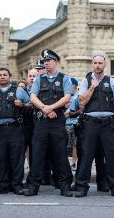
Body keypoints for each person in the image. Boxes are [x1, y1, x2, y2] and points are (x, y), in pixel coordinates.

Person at [24, 49, 73, 197]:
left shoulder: (64, 78)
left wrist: (51, 108)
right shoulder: (39, 78)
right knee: (37, 154)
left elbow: (67, 98)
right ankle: (33, 186)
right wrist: (45, 109)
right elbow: (32, 97)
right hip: (42, 121)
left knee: (61, 154)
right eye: (44, 61)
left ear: (55, 62)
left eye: (48, 61)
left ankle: (64, 186)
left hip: (57, 120)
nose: (46, 63)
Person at [74, 55, 114, 198]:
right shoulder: (86, 80)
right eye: (95, 63)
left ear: (104, 65)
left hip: (108, 123)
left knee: (111, 156)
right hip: (90, 123)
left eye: (100, 63)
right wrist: (92, 87)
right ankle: (82, 186)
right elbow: (82, 101)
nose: (97, 65)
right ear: (92, 64)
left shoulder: (111, 81)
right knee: (86, 156)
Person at [0, 68, 30, 195]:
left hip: (15, 129)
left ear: (9, 76)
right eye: (0, 75)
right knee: (0, 158)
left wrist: (22, 104)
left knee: (17, 158)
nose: (2, 77)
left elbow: (31, 105)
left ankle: (17, 185)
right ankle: (2, 185)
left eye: (5, 75)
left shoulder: (19, 90)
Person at [65, 77, 79, 168]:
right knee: (66, 144)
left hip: (75, 122)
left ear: (74, 85)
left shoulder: (78, 96)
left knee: (75, 144)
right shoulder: (65, 95)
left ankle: (74, 162)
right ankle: (66, 162)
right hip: (66, 123)